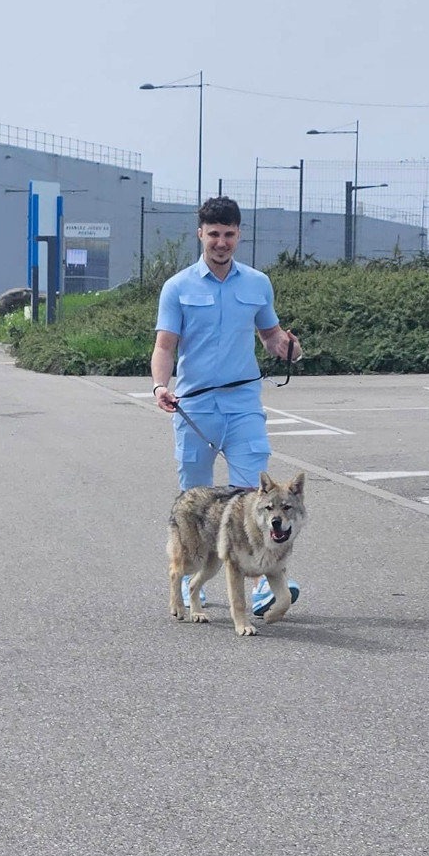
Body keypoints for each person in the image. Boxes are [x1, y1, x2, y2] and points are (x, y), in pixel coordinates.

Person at [152, 196, 303, 615]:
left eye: (229, 234)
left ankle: (263, 584)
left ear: (239, 235)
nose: (221, 242)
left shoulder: (257, 283)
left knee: (255, 495)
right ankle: (190, 581)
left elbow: (270, 336)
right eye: (214, 234)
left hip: (243, 404)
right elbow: (165, 346)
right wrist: (160, 386)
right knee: (196, 498)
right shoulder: (177, 287)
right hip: (195, 406)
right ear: (200, 233)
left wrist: (287, 348)